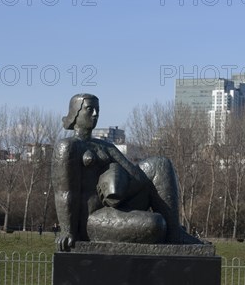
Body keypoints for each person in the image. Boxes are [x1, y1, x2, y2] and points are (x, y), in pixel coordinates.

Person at [52, 93, 200, 251]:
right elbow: (65, 193)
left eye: (97, 110)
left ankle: (174, 233)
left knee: (161, 164)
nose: (95, 114)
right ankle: (167, 230)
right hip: (92, 218)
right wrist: (68, 231)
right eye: (90, 109)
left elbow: (137, 177)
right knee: (155, 224)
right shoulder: (68, 147)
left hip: (115, 205)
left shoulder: (105, 146)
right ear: (75, 113)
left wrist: (116, 177)